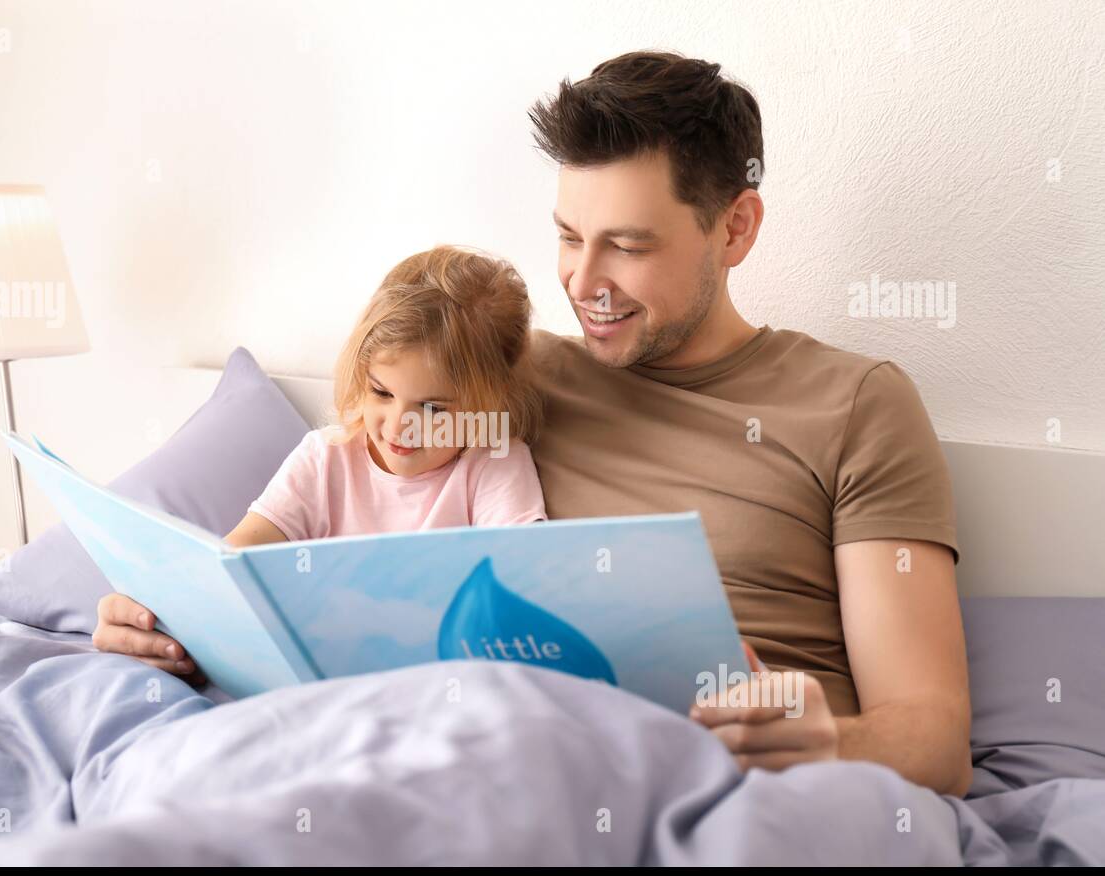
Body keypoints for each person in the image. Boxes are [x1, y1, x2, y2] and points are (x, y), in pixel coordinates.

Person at [525, 50, 971, 796]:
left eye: (629, 246)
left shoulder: (855, 404)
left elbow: (936, 743)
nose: (582, 281)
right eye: (570, 236)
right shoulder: (519, 380)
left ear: (735, 229)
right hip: (536, 757)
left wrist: (826, 741)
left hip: (753, 789)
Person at [94, 244, 550, 680]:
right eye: (381, 393)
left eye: (433, 409)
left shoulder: (494, 461)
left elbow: (527, 585)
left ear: (491, 403)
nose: (398, 426)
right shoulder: (325, 459)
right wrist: (150, 607)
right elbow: (230, 561)